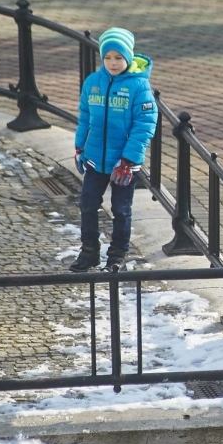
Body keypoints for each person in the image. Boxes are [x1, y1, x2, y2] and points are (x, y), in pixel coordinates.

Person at [71, 27, 158, 273]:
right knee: (87, 204)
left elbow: (145, 124)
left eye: (118, 57)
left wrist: (129, 159)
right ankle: (88, 253)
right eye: (107, 57)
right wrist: (80, 146)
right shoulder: (93, 82)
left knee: (121, 210)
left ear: (128, 58)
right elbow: (85, 117)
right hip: (96, 160)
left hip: (124, 164)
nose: (112, 62)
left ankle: (117, 255)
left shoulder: (139, 86)